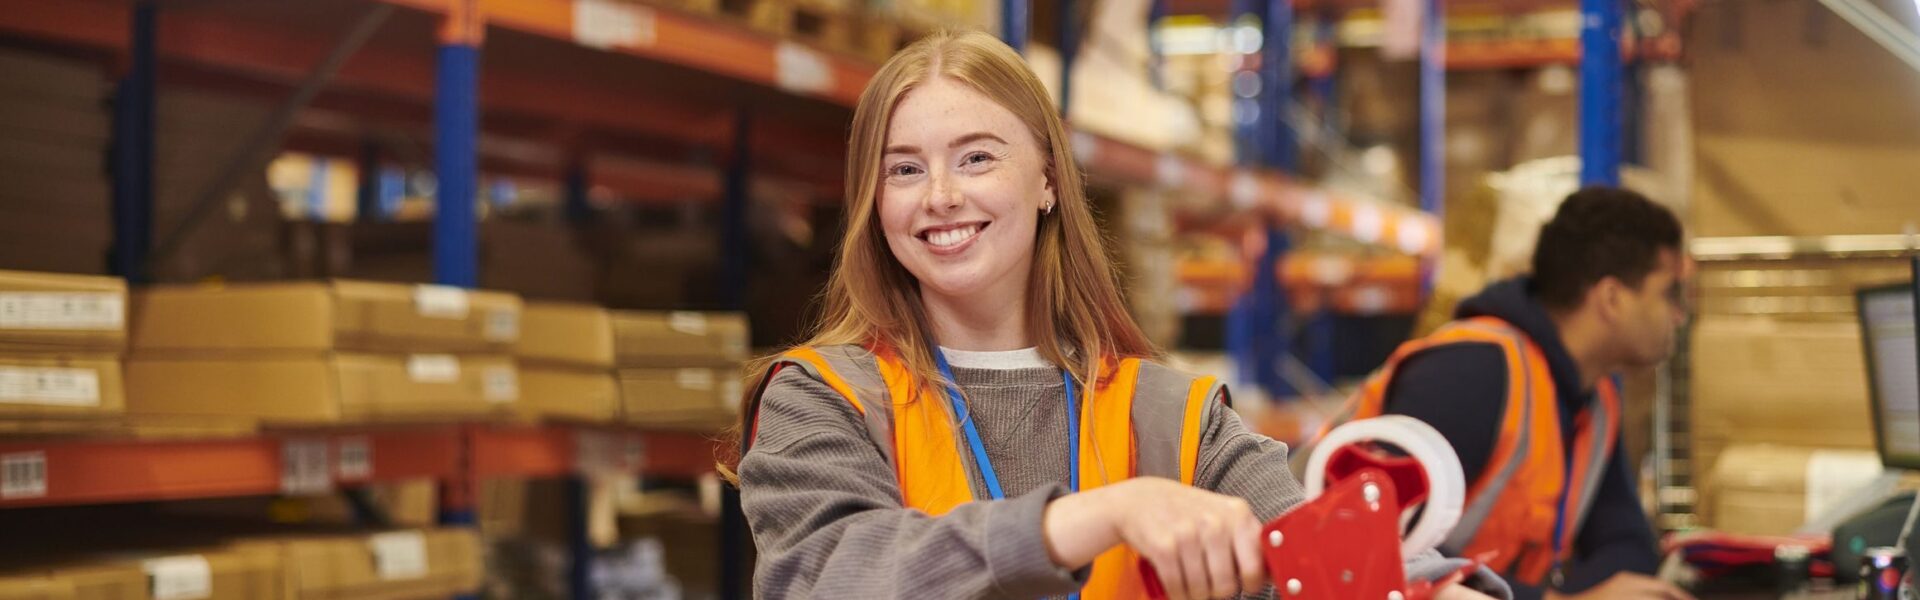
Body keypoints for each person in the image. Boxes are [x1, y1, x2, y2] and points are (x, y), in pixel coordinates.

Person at [727, 29, 1508, 600]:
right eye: (904, 169)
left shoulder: (1165, 415)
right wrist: (1100, 515)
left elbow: (1310, 534)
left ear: (1047, 181)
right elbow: (828, 575)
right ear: (873, 200)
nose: (940, 195)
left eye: (976, 157)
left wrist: (1435, 588)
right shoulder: (823, 399)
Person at [1344, 187, 1695, 600]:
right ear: (1612, 298)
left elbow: (1626, 545)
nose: (1679, 315)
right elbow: (1369, 546)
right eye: (1668, 292)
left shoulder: (1593, 398)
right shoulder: (1471, 372)